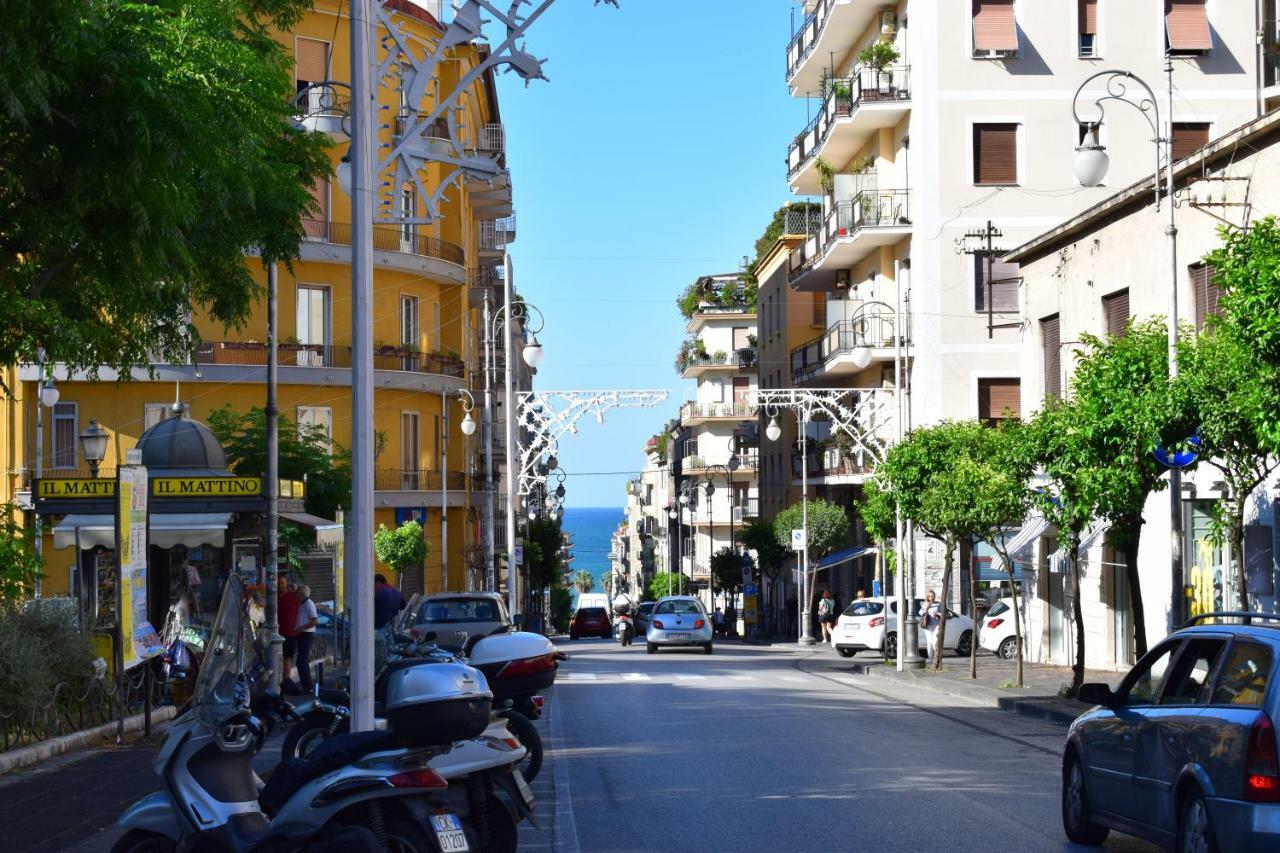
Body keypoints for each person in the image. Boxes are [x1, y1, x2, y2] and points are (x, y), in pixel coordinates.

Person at [294, 584, 319, 692]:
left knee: (301, 661)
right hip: (302, 634)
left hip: (306, 634)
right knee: (302, 660)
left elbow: (314, 620)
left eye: (297, 594)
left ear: (301, 594)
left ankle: (308, 686)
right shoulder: (302, 604)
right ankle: (306, 685)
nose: (295, 596)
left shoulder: (309, 604)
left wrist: (302, 627)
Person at [277, 578, 299, 690]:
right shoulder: (274, 597)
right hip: (277, 632)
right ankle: (279, 680)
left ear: (286, 585)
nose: (280, 585)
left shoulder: (293, 596)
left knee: (287, 657)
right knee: (277, 657)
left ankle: (286, 681)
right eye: (279, 583)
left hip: (290, 633)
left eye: (282, 583)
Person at [920, 589, 942, 661]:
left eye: (932, 596)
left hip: (936, 624)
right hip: (927, 625)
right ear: (927, 597)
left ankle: (936, 657)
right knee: (930, 641)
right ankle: (930, 657)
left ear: (934, 596)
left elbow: (942, 613)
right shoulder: (926, 604)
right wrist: (927, 607)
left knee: (935, 641)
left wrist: (938, 614)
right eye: (929, 596)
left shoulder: (938, 604)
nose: (931, 598)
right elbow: (920, 613)